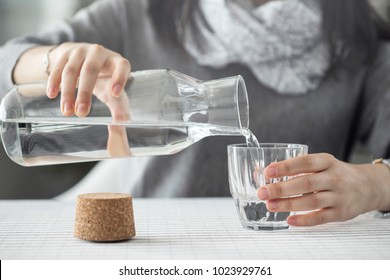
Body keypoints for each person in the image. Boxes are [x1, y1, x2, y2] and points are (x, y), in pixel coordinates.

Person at [0, 0, 389, 227]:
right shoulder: (144, 12)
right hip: (150, 250)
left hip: (294, 255)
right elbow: (9, 61)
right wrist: (57, 61)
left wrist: (375, 184)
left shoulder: (364, 44)